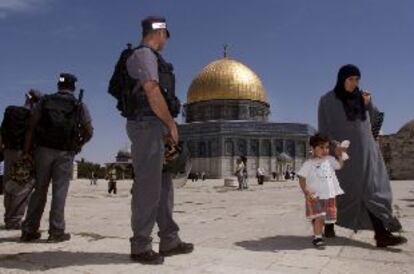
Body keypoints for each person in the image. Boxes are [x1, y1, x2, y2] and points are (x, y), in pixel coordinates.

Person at [125, 16, 193, 264]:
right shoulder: (143, 55)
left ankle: (169, 240)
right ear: (159, 31)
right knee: (147, 186)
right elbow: (152, 91)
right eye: (165, 34)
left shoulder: (153, 58)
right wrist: (170, 124)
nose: (166, 40)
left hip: (156, 127)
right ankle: (141, 245)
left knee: (164, 186)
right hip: (147, 126)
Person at [318, 64, 406, 247]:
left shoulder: (362, 98)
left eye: (357, 79)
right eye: (350, 79)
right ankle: (329, 222)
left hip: (368, 153)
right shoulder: (327, 100)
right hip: (344, 156)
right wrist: (335, 147)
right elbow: (324, 130)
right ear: (342, 79)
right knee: (341, 193)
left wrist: (369, 104)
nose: (354, 83)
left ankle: (381, 235)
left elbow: (376, 120)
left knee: (373, 191)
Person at [20, 73, 93, 243]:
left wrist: (26, 151)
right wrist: (79, 144)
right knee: (59, 192)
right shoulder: (78, 104)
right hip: (66, 152)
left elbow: (32, 126)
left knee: (39, 190)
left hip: (43, 150)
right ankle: (56, 232)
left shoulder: (44, 101)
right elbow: (89, 130)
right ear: (73, 87)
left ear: (58, 86)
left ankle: (29, 229)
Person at [0, 90, 42, 229]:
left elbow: (2, 131)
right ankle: (14, 220)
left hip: (8, 152)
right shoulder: (34, 116)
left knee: (9, 184)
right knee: (22, 186)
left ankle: (8, 217)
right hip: (24, 154)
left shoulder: (10, 110)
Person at [297, 134, 344, 247]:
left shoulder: (330, 160)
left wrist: (340, 156)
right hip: (315, 195)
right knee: (319, 216)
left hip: (328, 195)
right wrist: (306, 192)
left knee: (324, 218)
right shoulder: (309, 163)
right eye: (321, 147)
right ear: (312, 149)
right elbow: (302, 178)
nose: (325, 150)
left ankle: (318, 234)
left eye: (327, 147)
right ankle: (317, 238)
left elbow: (339, 166)